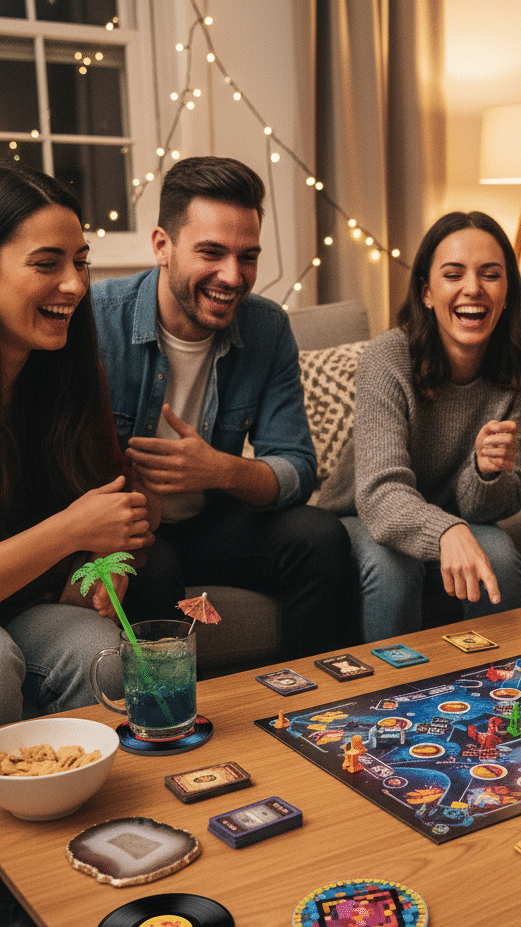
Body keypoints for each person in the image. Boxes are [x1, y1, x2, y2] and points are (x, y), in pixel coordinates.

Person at [91, 156, 355, 658]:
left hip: (214, 523)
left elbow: (297, 468)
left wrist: (218, 470)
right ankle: (174, 724)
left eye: (247, 256)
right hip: (131, 530)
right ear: (162, 246)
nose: (232, 277)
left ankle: (316, 708)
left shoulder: (266, 327)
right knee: (153, 566)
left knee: (320, 536)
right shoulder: (99, 322)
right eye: (211, 252)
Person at [0, 167, 152, 927]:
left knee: (101, 650)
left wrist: (106, 571)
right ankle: (9, 907)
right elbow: (71, 525)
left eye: (82, 261)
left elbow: (108, 509)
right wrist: (68, 534)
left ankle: (81, 872)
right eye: (47, 263)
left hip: (25, 606)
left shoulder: (65, 366)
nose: (72, 286)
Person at [331, 210, 521, 641]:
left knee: (498, 555)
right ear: (427, 293)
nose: (473, 289)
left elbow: (494, 508)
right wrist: (447, 529)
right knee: (394, 568)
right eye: (453, 274)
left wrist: (485, 474)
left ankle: (501, 691)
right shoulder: (387, 359)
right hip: (362, 516)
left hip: (453, 518)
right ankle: (389, 701)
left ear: (507, 292)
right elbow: (379, 494)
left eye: (490, 274)